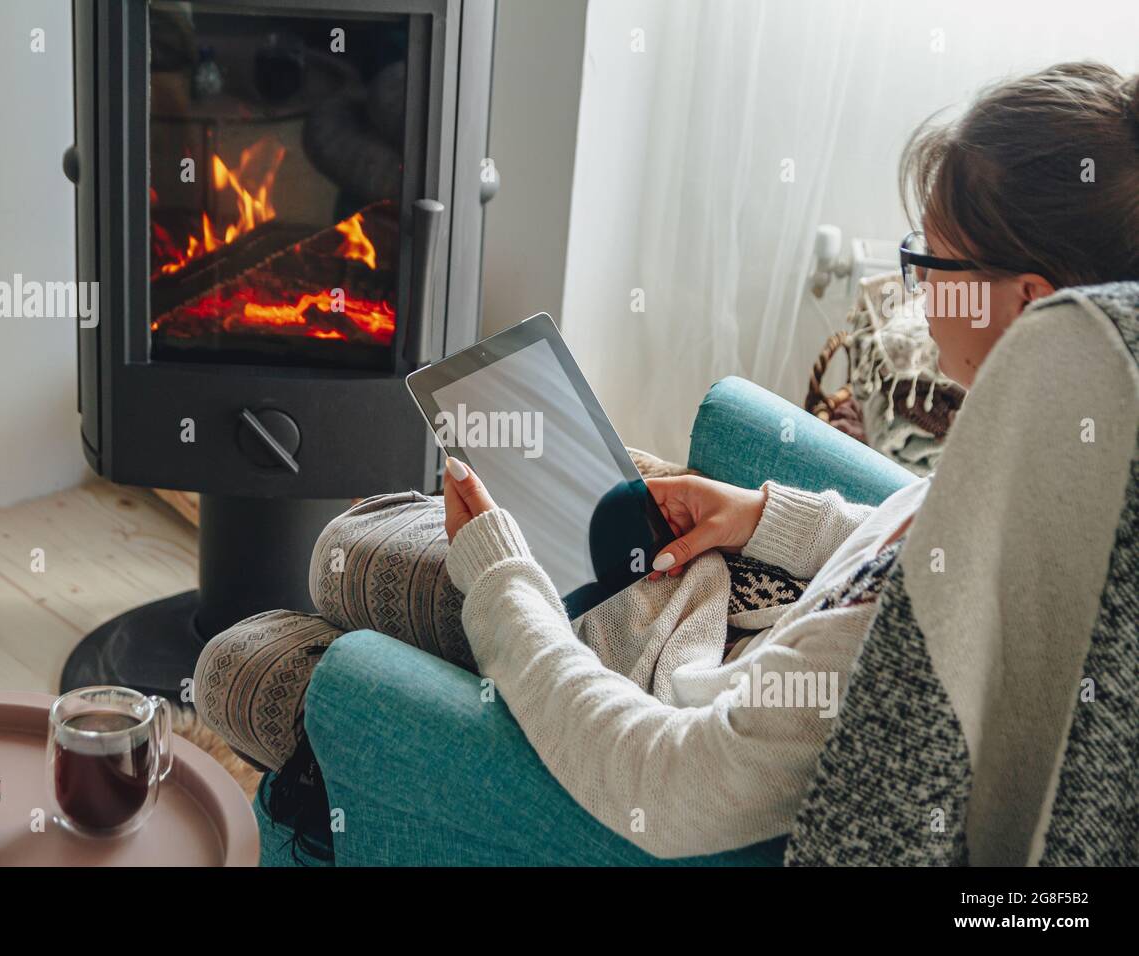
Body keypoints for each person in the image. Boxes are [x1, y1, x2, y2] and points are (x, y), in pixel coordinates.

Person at [195, 62, 1139, 860]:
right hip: (715, 607)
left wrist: (500, 586)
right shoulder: (1075, 474)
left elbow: (665, 781)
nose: (913, 289)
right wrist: (762, 515)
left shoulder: (897, 666)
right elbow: (914, 536)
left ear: (1022, 305)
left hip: (659, 701)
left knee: (255, 652)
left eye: (928, 265)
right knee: (349, 554)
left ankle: (360, 750)